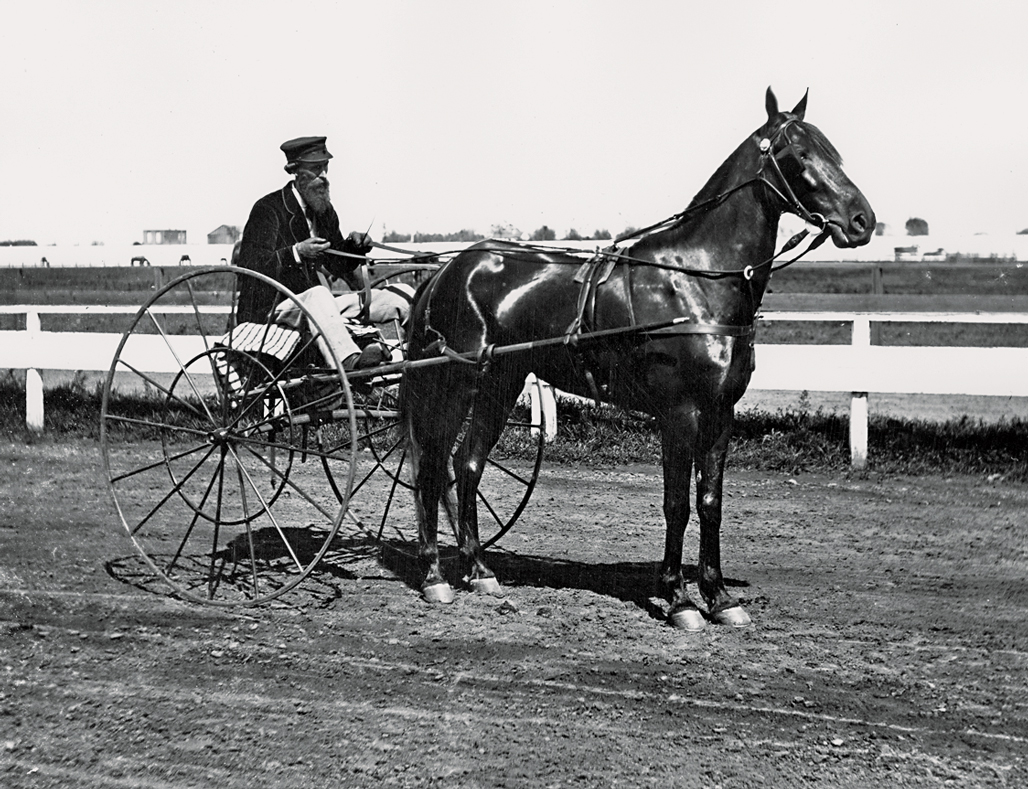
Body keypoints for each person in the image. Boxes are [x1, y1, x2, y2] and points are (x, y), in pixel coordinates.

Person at [235, 136, 409, 370]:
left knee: (401, 295)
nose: (324, 176)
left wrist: (353, 247)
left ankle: (419, 355)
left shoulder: (324, 211)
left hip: (318, 308)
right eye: (316, 169)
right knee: (318, 294)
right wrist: (297, 252)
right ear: (296, 172)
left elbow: (336, 263)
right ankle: (349, 361)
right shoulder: (268, 209)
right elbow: (250, 266)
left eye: (325, 168)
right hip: (271, 311)